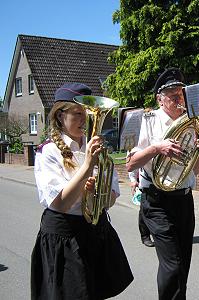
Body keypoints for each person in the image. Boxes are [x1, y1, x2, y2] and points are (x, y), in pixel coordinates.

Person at [31, 83, 133, 299]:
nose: (84, 120)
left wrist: (101, 193)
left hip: (95, 232)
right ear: (60, 116)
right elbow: (60, 204)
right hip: (65, 236)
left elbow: (111, 199)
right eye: (77, 113)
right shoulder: (48, 151)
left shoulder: (99, 150)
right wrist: (87, 166)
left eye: (87, 114)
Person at [126, 67, 199, 299]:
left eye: (180, 93)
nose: (177, 97)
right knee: (172, 264)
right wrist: (156, 148)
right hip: (157, 201)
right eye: (171, 93)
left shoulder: (191, 124)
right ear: (159, 99)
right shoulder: (148, 121)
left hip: (183, 199)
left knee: (183, 263)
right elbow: (131, 164)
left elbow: (195, 171)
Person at [128, 168, 155, 247]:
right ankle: (145, 236)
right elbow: (133, 163)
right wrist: (133, 180)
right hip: (146, 185)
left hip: (164, 185)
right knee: (144, 212)